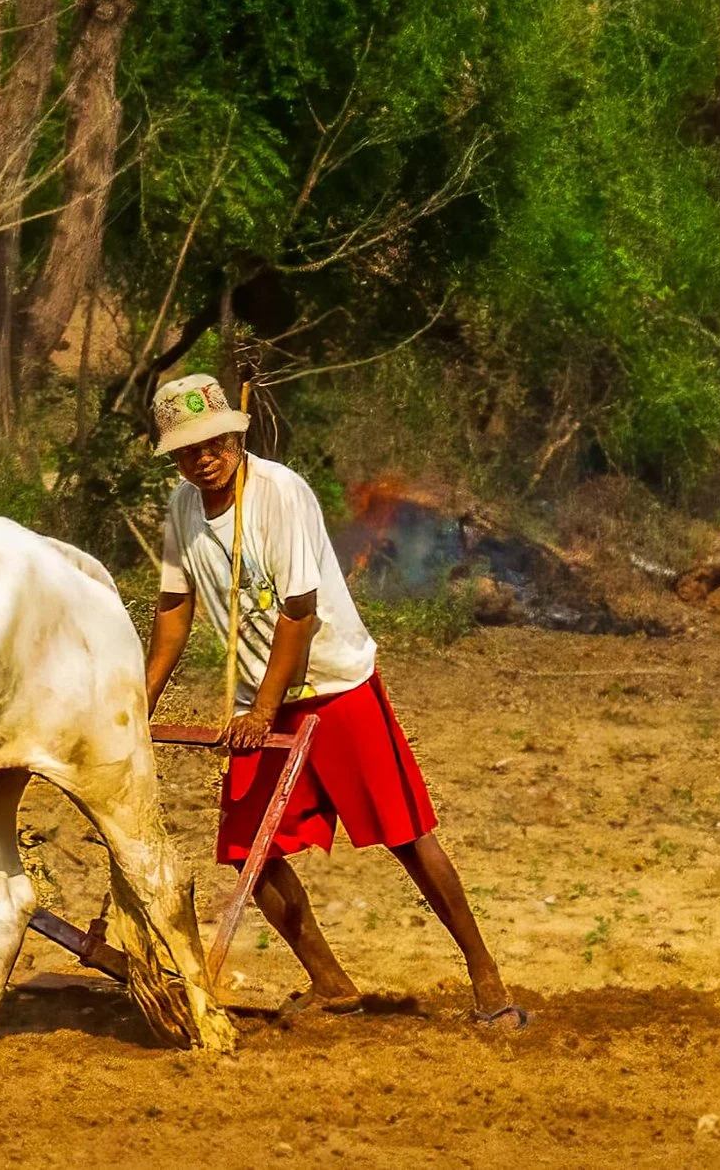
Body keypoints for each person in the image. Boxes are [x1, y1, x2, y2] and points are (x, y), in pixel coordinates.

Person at [143, 373, 526, 1027]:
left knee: (407, 834)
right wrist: (136, 703)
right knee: (247, 854)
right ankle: (330, 980)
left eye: (213, 442)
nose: (203, 457)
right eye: (187, 449)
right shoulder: (183, 507)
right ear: (173, 455)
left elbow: (298, 610)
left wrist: (265, 710)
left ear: (235, 435)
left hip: (331, 681)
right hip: (257, 696)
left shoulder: (279, 492)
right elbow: (175, 609)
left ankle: (485, 973)